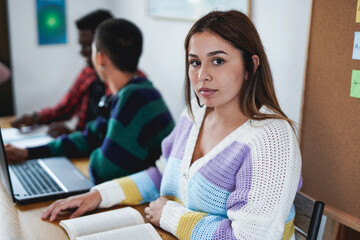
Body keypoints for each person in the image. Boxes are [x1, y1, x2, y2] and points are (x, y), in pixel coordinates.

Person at [41, 10, 302, 240]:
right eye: (195, 62)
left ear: (250, 67)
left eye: (218, 60)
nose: (202, 75)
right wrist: (99, 195)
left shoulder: (272, 139)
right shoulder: (194, 114)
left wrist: (170, 215)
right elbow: (163, 176)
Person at [6, 18, 175, 185]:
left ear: (100, 58)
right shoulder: (129, 92)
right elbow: (90, 137)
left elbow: (104, 172)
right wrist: (28, 153)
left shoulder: (135, 97)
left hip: (157, 198)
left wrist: (99, 148)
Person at [11, 9, 127, 138]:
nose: (82, 52)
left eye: (88, 46)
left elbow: (114, 136)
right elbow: (65, 109)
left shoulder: (125, 83)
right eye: (81, 45)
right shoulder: (88, 72)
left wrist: (73, 135)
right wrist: (35, 118)